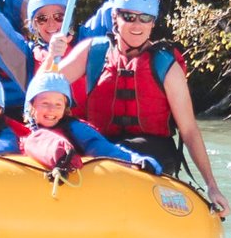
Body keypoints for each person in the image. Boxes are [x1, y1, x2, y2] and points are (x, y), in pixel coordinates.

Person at [55, 0, 231, 216]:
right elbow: (44, 88)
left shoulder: (165, 64)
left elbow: (188, 130)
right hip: (100, 145)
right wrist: (53, 55)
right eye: (129, 16)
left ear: (153, 22)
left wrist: (212, 186)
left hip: (152, 149)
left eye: (145, 18)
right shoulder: (93, 51)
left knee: (115, 162)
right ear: (115, 17)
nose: (137, 25)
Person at [21, 71, 160, 176]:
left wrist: (134, 160)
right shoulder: (23, 133)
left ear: (66, 108)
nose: (52, 110)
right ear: (31, 106)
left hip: (76, 184)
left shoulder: (74, 129)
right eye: (45, 103)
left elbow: (102, 148)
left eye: (58, 105)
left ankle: (63, 159)